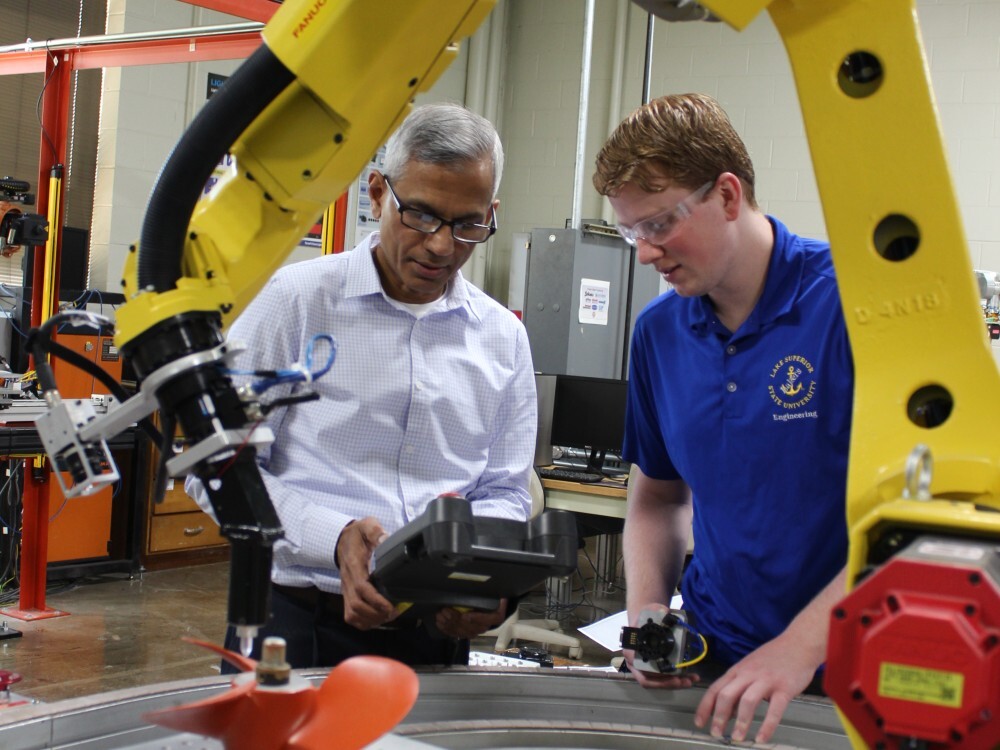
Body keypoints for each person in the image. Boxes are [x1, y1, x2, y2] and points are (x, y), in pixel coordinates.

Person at [188, 102, 537, 670]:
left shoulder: (503, 338)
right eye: (421, 215)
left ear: (491, 212)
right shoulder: (294, 303)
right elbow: (217, 467)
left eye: (468, 224)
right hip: (295, 625)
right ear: (377, 193)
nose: (442, 246)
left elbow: (505, 490)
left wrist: (487, 583)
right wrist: (335, 538)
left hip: (434, 636)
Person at [592, 93, 853, 744]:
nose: (645, 253)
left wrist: (798, 648)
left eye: (658, 225)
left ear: (728, 196)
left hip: (850, 661)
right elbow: (656, 496)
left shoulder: (852, 310)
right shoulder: (658, 334)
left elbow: (914, 523)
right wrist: (650, 619)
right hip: (716, 656)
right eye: (631, 234)